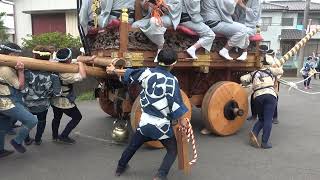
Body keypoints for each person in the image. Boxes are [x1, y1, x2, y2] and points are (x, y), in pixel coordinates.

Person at [109, 49, 188, 180]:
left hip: (145, 123)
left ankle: (120, 167)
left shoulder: (147, 72)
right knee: (173, 150)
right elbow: (176, 104)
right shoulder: (172, 80)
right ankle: (160, 175)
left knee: (132, 146)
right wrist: (182, 120)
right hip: (161, 127)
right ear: (173, 64)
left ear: (157, 60)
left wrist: (113, 70)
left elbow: (128, 74)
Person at [0, 43, 38, 157]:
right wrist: (21, 71)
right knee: (31, 120)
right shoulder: (5, 69)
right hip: (7, 102)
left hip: (3, 99)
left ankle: (0, 151)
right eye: (17, 55)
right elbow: (20, 86)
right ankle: (17, 141)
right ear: (11, 54)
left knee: (2, 127)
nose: (19, 57)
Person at [241, 48, 283, 149]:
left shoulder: (254, 73)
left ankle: (254, 132)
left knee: (262, 118)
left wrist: (248, 82)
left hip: (257, 97)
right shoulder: (271, 70)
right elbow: (280, 71)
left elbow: (242, 79)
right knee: (268, 120)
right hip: (270, 95)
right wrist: (274, 67)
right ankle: (264, 143)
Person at [23, 46, 62, 145]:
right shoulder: (53, 76)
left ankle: (26, 139)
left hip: (26, 104)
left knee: (26, 121)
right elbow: (57, 93)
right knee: (42, 121)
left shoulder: (25, 72)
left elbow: (22, 89)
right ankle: (38, 139)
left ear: (34, 56)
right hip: (43, 105)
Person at [51, 48, 87, 144]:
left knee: (56, 118)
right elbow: (83, 76)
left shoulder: (54, 64)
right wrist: (80, 64)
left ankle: (55, 136)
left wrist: (81, 60)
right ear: (68, 59)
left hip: (55, 98)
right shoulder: (66, 74)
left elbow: (72, 61)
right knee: (77, 117)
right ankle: (64, 136)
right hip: (64, 100)